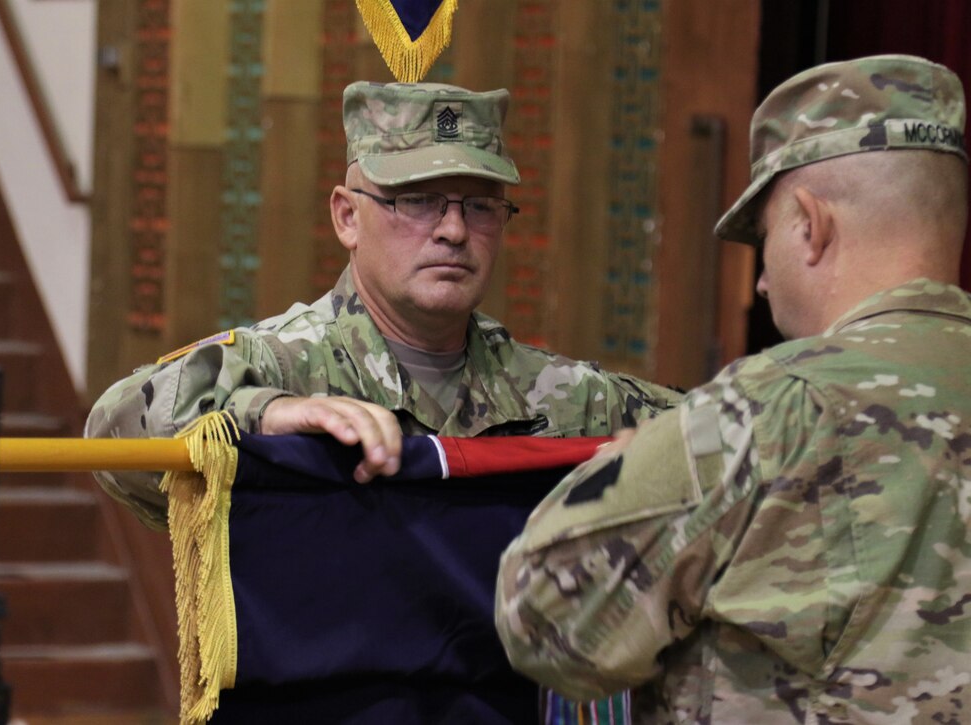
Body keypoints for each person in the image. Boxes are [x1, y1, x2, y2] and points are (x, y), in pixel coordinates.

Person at [86, 81, 679, 721]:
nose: (453, 230)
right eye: (417, 200)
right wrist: (262, 416)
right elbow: (112, 437)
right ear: (346, 215)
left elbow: (726, 437)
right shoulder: (274, 365)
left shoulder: (563, 398)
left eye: (481, 207)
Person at [495, 53, 971, 723]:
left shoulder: (773, 409)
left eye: (767, 237)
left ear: (811, 223)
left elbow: (540, 617)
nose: (761, 283)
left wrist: (623, 473)